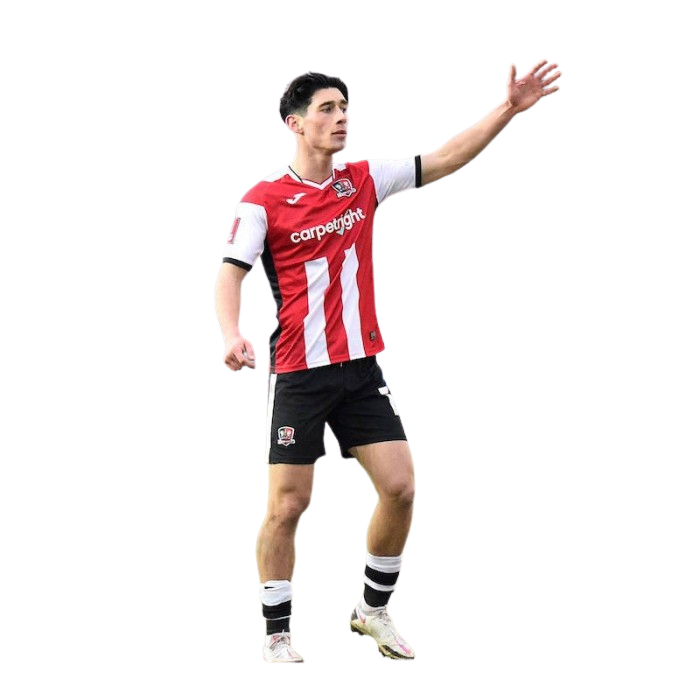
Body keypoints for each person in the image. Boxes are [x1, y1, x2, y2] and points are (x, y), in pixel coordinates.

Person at [214, 60, 562, 663]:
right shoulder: (261, 199)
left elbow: (445, 158)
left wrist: (509, 108)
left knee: (401, 487)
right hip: (298, 373)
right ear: (294, 123)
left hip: (361, 370)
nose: (341, 118)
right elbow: (229, 276)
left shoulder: (365, 179)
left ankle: (372, 611)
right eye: (326, 109)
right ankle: (277, 633)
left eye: (344, 108)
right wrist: (230, 333)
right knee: (288, 504)